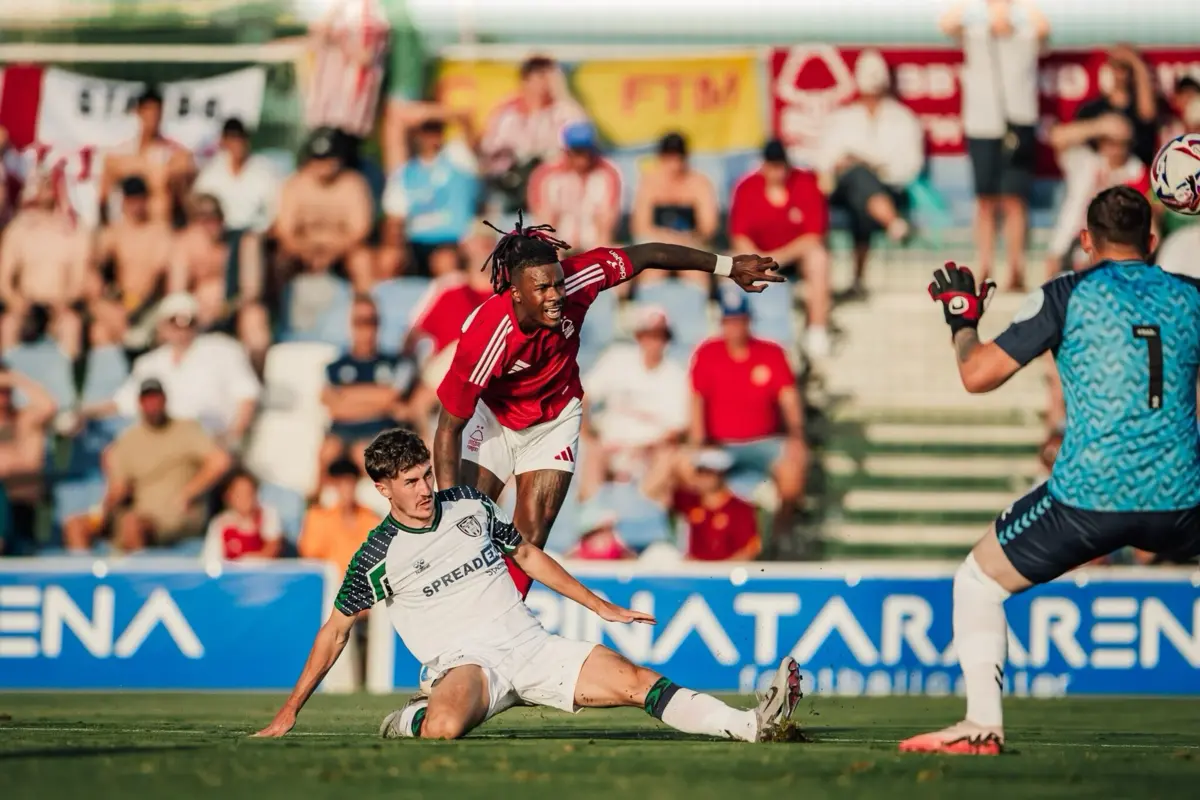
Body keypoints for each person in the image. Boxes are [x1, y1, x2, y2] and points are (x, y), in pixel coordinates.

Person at [254, 428, 801, 741]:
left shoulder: (468, 504)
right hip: (468, 664)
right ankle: (413, 716)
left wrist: (600, 605)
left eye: (427, 476)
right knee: (442, 729)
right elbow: (335, 632)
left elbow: (526, 555)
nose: (424, 489)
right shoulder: (376, 555)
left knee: (639, 682)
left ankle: (751, 725)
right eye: (411, 482)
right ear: (383, 489)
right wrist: (291, 709)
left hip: (533, 647)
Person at [906, 186, 1200, 755]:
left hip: (1089, 497)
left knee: (978, 582)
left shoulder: (1065, 293)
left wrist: (961, 320)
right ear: (1152, 241)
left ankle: (982, 726)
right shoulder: (1192, 295)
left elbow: (978, 374)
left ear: (1086, 240)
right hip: (1184, 497)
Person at [433, 214, 781, 598]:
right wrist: (450, 506)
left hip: (554, 418)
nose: (556, 296)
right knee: (468, 527)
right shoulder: (487, 336)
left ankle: (504, 614)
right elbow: (448, 427)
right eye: (542, 288)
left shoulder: (581, 277)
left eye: (557, 283)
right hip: (496, 419)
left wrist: (728, 266)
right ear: (515, 292)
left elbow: (648, 254)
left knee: (531, 532)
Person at [941, 0, 1050, 291]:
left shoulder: (1025, 35)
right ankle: (984, 265)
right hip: (982, 125)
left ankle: (1016, 268)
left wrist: (1019, 6)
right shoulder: (976, 35)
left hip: (1019, 124)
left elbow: (1044, 28)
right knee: (985, 200)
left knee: (1015, 200)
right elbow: (946, 24)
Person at [688, 290, 807, 557]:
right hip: (720, 444)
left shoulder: (771, 353)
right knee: (687, 469)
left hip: (765, 442)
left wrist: (796, 436)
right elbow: (696, 400)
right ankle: (701, 543)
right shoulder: (708, 353)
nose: (735, 328)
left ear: (749, 321)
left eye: (740, 321)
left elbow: (789, 400)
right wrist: (698, 442)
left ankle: (780, 537)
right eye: (729, 321)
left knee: (793, 466)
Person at [79, 378, 232, 553]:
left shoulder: (186, 430)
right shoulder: (129, 439)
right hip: (138, 512)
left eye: (156, 399)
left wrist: (189, 493)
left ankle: (137, 569)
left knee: (131, 524)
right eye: (147, 400)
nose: (152, 404)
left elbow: (220, 461)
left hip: (176, 513)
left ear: (165, 400)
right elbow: (118, 487)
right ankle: (84, 568)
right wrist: (104, 509)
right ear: (140, 403)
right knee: (77, 526)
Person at [817, 49, 921, 297]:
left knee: (862, 193)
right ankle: (894, 223)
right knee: (858, 178)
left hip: (886, 189)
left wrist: (871, 165)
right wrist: (853, 165)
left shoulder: (903, 119)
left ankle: (858, 281)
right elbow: (825, 162)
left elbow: (909, 166)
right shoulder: (843, 117)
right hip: (843, 190)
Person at [728, 140, 832, 358]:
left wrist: (779, 258)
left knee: (819, 258)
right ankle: (740, 326)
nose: (777, 172)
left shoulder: (805, 183)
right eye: (772, 166)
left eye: (781, 166)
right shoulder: (747, 187)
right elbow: (739, 236)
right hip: (758, 256)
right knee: (730, 263)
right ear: (764, 166)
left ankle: (817, 329)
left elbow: (814, 236)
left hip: (795, 257)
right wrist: (760, 262)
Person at [579, 304, 689, 499]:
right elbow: (584, 395)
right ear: (639, 336)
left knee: (668, 459)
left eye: (659, 336)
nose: (653, 342)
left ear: (667, 339)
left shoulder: (676, 375)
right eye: (648, 335)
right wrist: (587, 433)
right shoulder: (617, 359)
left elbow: (677, 429)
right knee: (591, 454)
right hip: (610, 445)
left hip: (650, 450)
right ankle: (593, 511)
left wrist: (644, 449)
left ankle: (640, 508)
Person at [320, 295, 420, 481]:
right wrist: (383, 404)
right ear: (350, 325)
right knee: (327, 453)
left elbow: (390, 396)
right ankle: (314, 498)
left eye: (372, 321)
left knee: (364, 453)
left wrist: (346, 395)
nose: (367, 329)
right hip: (341, 434)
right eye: (360, 321)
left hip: (377, 433)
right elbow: (334, 408)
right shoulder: (334, 367)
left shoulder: (396, 364)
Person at [169, 193, 271, 369]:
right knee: (175, 323)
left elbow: (252, 290)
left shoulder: (244, 241)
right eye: (205, 218)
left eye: (215, 216)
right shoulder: (184, 245)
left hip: (235, 308)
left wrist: (224, 309)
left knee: (255, 322)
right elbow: (177, 293)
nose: (212, 223)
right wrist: (197, 311)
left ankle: (256, 378)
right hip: (197, 314)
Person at [0, 165, 90, 357]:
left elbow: (79, 280)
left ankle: (65, 373)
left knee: (71, 326)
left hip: (58, 305)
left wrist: (62, 303)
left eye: (51, 184)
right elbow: (4, 279)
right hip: (26, 305)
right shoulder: (19, 229)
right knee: (8, 326)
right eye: (42, 184)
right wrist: (17, 303)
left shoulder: (74, 230)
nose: (47, 189)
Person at [275, 127, 375, 293]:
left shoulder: (354, 184)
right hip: (303, 248)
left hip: (342, 249)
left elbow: (360, 231)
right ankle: (276, 307)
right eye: (318, 159)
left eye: (329, 158)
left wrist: (331, 253)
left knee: (362, 259)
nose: (324, 165)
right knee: (280, 261)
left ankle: (365, 303)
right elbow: (284, 231)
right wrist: (307, 253)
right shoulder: (294, 184)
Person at [379, 116, 481, 278]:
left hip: (453, 241)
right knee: (387, 260)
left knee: (444, 260)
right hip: (415, 243)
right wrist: (395, 248)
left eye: (437, 132)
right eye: (426, 133)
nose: (432, 138)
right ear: (417, 136)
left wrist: (440, 113)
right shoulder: (405, 173)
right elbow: (394, 218)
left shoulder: (458, 159)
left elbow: (467, 124)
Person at [91, 175, 175, 350]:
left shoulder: (160, 232)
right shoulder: (114, 232)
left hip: (150, 305)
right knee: (99, 332)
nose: (136, 205)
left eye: (140, 200)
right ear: (123, 202)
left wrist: (138, 309)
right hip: (121, 304)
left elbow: (158, 274)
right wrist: (111, 296)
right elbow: (94, 266)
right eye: (131, 200)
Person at [630, 132, 718, 290]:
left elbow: (708, 227)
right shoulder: (649, 183)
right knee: (653, 270)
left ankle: (704, 302)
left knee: (695, 272)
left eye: (678, 158)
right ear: (660, 158)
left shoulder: (699, 184)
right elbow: (640, 226)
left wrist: (685, 240)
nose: (674, 164)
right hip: (656, 245)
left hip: (690, 245)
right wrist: (666, 241)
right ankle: (648, 302)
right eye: (669, 158)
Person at [98, 87, 193, 224]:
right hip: (128, 228)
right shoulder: (119, 156)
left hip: (160, 225)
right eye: (148, 112)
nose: (153, 118)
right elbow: (103, 198)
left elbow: (184, 193)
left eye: (157, 113)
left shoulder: (175, 155)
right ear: (138, 112)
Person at [526, 122, 622, 254]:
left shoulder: (607, 173)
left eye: (587, 151)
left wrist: (598, 256)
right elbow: (544, 223)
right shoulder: (546, 175)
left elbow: (606, 225)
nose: (583, 158)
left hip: (594, 245)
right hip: (557, 246)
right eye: (577, 152)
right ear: (567, 150)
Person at [1072, 45, 1163, 169]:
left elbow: (1148, 113)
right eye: (1117, 67)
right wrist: (1102, 126)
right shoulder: (1093, 109)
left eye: (1126, 67)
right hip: (1103, 176)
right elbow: (1061, 138)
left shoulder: (1141, 110)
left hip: (1136, 177)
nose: (1121, 73)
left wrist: (1135, 62)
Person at [194, 118, 280, 235]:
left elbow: (276, 210)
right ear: (224, 141)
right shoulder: (212, 169)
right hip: (220, 234)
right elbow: (198, 202)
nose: (237, 143)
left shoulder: (264, 170)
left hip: (254, 234)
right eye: (233, 138)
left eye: (241, 138)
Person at [299, 458, 381, 574]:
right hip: (329, 581)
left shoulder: (371, 518)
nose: (345, 490)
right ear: (331, 486)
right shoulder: (317, 517)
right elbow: (310, 555)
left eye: (349, 483)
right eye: (340, 484)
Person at [202, 469, 283, 561]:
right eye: (238, 493)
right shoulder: (220, 524)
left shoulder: (267, 515)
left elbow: (272, 549)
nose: (244, 498)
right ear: (228, 496)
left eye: (248, 493)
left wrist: (249, 560)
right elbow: (211, 558)